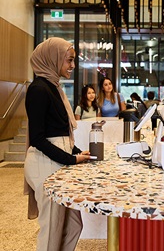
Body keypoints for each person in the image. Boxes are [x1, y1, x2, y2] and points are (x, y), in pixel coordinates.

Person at [24, 37, 93, 251]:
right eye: (69, 60)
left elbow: (61, 132)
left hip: (58, 162)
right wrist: (71, 159)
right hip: (44, 164)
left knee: (73, 225)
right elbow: (38, 138)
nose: (72, 65)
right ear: (53, 59)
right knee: (52, 229)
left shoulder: (55, 87)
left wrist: (78, 153)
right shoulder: (38, 89)